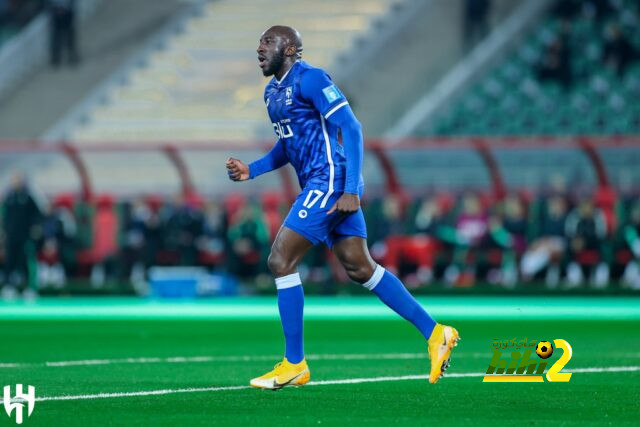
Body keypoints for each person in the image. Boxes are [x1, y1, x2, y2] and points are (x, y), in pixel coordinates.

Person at [226, 26, 459, 389]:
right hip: (325, 184)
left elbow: (351, 127)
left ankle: (294, 363)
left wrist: (350, 188)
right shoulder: (272, 92)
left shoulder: (312, 79)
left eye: (267, 42)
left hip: (331, 182)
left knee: (280, 260)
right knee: (360, 267)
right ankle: (436, 333)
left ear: (289, 48)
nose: (259, 48)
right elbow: (287, 145)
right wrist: (251, 170)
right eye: (259, 42)